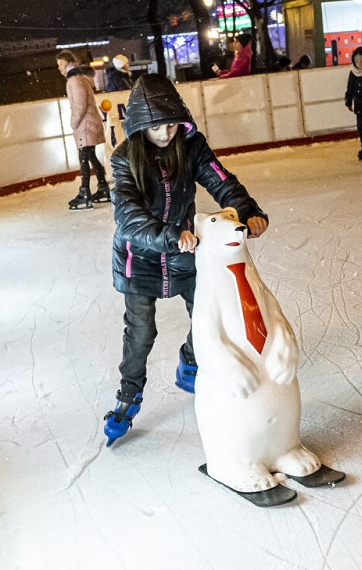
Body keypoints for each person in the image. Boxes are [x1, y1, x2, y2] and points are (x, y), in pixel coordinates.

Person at [103, 73, 269, 444]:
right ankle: (129, 394)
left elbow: (221, 181)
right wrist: (168, 236)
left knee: (208, 313)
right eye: (156, 126)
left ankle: (190, 361)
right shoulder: (124, 159)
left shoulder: (191, 145)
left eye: (171, 124)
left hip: (185, 250)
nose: (166, 134)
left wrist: (246, 210)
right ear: (140, 125)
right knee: (141, 331)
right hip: (140, 258)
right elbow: (127, 215)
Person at [56, 50, 109, 209]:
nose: (59, 68)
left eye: (61, 64)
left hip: (85, 124)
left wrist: (74, 123)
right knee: (90, 156)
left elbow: (80, 105)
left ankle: (85, 192)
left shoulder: (74, 80)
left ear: (68, 63)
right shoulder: (79, 78)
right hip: (89, 122)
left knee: (84, 157)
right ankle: (103, 187)